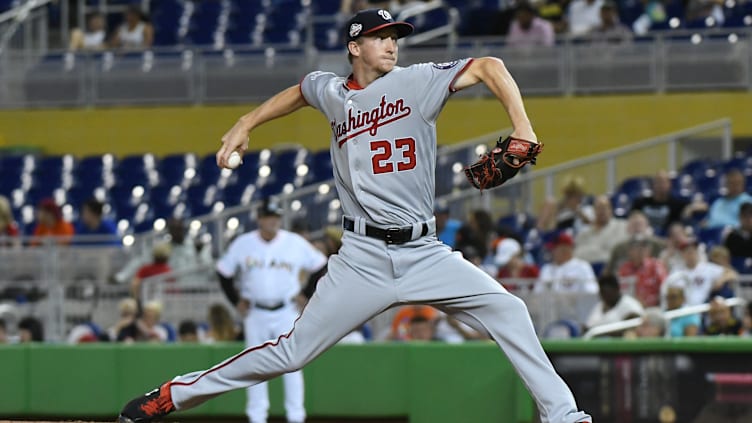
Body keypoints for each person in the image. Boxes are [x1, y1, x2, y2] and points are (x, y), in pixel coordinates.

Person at [118, 9, 592, 423]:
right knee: (291, 353)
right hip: (362, 257)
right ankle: (173, 395)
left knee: (509, 309)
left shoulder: (417, 81)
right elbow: (301, 91)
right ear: (354, 47)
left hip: (424, 252)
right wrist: (245, 124)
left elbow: (491, 66)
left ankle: (565, 417)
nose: (391, 43)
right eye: (381, 36)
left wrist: (522, 127)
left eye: (395, 36)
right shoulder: (331, 91)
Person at [215, 198, 328, 423]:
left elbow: (320, 264)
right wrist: (236, 300)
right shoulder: (243, 243)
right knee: (255, 365)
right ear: (259, 218)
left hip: (286, 310)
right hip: (255, 312)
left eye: (275, 217)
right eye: (268, 217)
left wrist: (305, 292)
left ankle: (296, 416)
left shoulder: (294, 242)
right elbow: (223, 272)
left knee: (293, 364)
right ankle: (257, 417)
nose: (272, 221)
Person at [630, 170, 706, 235]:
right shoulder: (640, 203)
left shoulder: (676, 204)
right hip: (644, 238)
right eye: (658, 182)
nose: (661, 185)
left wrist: (690, 208)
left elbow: (704, 206)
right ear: (653, 184)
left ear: (669, 184)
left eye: (663, 182)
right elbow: (631, 218)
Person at [573, 195, 628, 266]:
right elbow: (576, 255)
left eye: (604, 208)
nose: (602, 211)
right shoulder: (583, 234)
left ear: (610, 210)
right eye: (598, 208)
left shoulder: (622, 226)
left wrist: (591, 251)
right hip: (587, 270)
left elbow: (618, 252)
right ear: (594, 211)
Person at [617, 236, 668, 307]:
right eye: (637, 247)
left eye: (644, 247)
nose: (641, 250)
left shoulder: (655, 265)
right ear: (629, 251)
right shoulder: (624, 269)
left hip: (654, 308)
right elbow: (621, 291)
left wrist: (648, 303)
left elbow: (665, 288)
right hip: (631, 309)